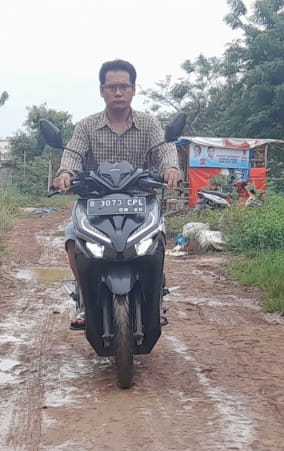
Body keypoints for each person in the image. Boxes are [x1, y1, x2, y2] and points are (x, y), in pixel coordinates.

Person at [54, 59, 182, 326]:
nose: (118, 92)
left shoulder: (149, 124)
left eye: (124, 86)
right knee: (71, 239)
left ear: (134, 89)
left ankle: (156, 295)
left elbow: (165, 149)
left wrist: (170, 168)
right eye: (112, 87)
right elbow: (73, 154)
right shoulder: (86, 127)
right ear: (102, 91)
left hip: (140, 202)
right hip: (95, 204)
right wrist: (65, 174)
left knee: (158, 238)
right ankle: (83, 296)